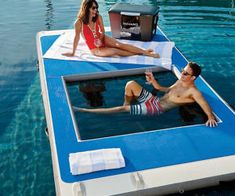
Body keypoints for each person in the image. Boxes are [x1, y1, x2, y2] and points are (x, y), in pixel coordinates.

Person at [74, 62, 218, 127]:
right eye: (183, 70)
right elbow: (166, 90)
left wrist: (210, 117)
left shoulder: (193, 92)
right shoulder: (180, 81)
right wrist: (154, 82)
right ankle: (127, 105)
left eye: (186, 73)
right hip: (154, 100)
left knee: (121, 109)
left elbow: (204, 104)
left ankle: (84, 110)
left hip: (156, 109)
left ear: (193, 78)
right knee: (130, 84)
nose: (182, 73)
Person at [63, 0, 160, 58]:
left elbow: (102, 30)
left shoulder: (98, 17)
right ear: (86, 8)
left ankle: (146, 52)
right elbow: (76, 38)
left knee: (119, 44)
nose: (96, 10)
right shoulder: (79, 22)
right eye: (93, 8)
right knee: (114, 51)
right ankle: (138, 54)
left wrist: (101, 38)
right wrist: (73, 52)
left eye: (96, 8)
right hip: (94, 48)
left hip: (102, 38)